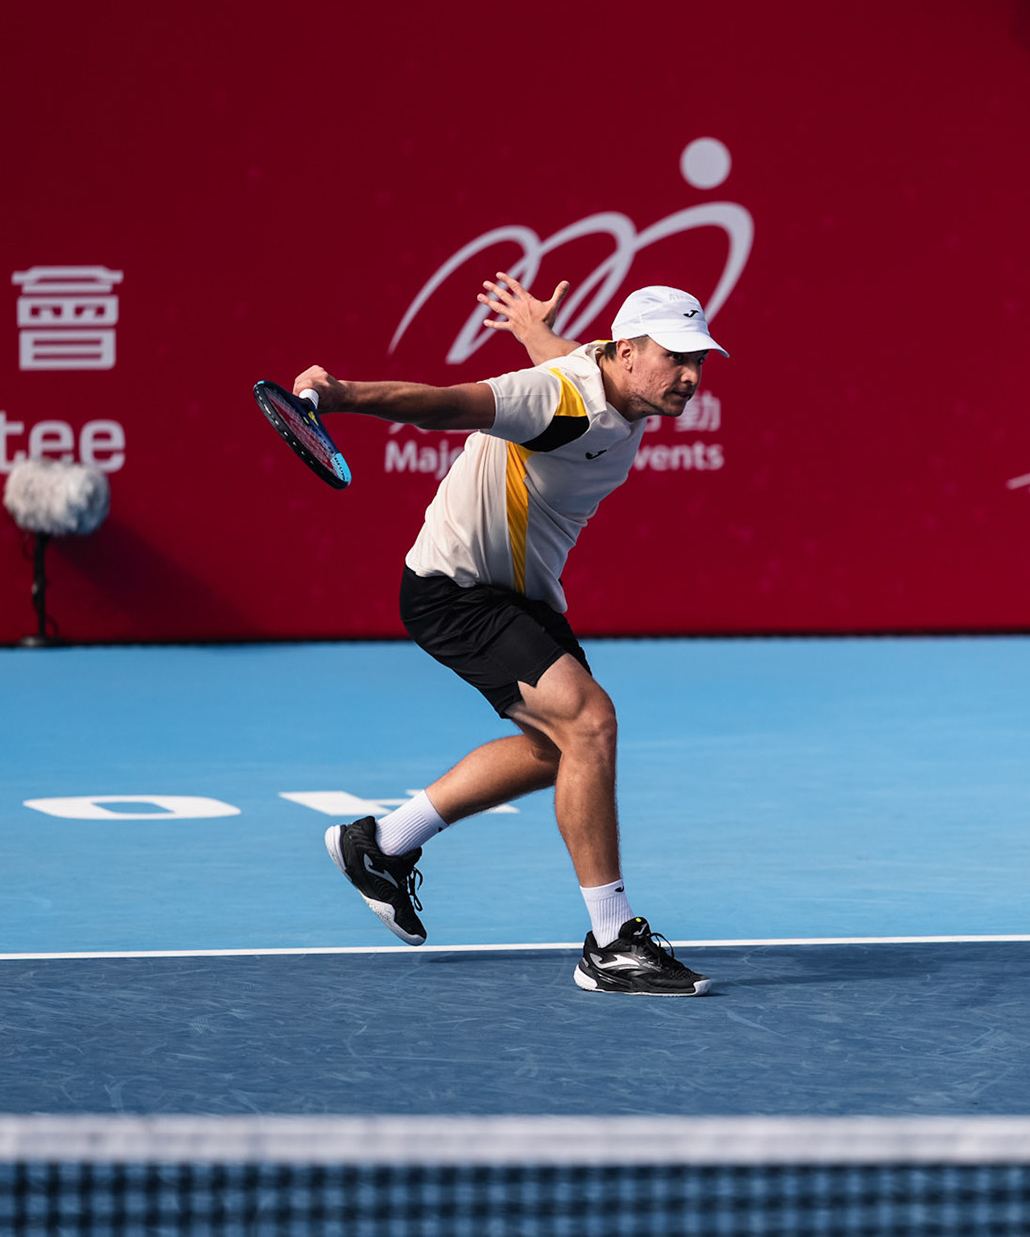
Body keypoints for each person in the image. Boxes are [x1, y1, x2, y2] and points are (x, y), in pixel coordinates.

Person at [301, 273, 725, 995]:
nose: (690, 377)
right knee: (590, 725)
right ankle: (612, 939)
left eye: (699, 361)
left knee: (557, 751)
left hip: (522, 597)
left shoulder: (614, 384)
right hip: (458, 592)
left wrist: (531, 329)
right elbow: (447, 406)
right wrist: (344, 396)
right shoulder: (558, 396)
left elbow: (574, 371)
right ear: (626, 350)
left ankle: (381, 845)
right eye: (675, 358)